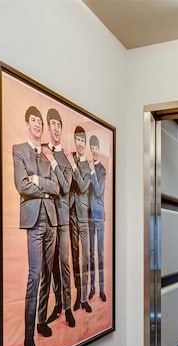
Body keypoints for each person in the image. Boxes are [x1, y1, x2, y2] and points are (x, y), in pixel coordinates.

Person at [13, 106, 59, 346]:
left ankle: (42, 320)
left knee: (47, 274)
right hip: (33, 221)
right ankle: (28, 335)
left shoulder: (47, 155)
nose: (38, 124)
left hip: (51, 220)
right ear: (27, 124)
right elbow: (21, 185)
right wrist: (45, 189)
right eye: (34, 120)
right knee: (34, 274)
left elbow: (57, 188)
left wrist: (39, 182)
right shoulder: (19, 150)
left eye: (40, 121)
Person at [42, 108, 75, 328]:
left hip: (63, 218)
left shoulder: (66, 157)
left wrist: (54, 162)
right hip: (46, 217)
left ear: (61, 129)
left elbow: (65, 186)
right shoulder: (42, 152)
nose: (55, 127)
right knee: (50, 266)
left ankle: (68, 307)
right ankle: (58, 304)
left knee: (64, 264)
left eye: (58, 124)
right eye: (51, 123)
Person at [68, 126, 93, 313]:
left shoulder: (87, 166)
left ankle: (84, 298)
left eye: (83, 140)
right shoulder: (70, 160)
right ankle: (78, 296)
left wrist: (75, 166)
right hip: (71, 214)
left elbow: (83, 187)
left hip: (84, 216)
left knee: (85, 259)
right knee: (75, 258)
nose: (80, 144)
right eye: (78, 140)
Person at [87, 135, 107, 302]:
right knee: (91, 254)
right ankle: (92, 287)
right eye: (91, 148)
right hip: (88, 216)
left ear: (99, 150)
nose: (94, 151)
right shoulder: (87, 168)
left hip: (99, 216)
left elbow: (99, 191)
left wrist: (92, 172)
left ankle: (102, 288)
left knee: (100, 254)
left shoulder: (102, 170)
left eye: (96, 148)